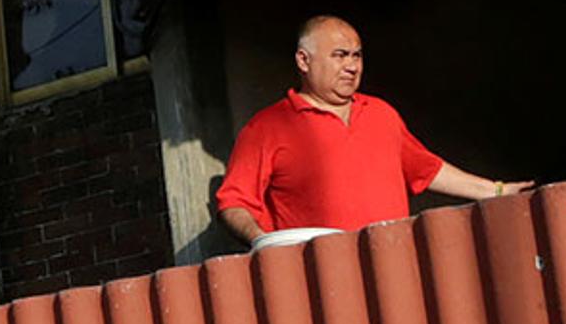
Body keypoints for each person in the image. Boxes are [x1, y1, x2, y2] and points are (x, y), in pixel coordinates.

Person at [212, 15, 524, 244]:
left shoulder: (380, 113)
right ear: (303, 61)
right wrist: (267, 245)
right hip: (319, 279)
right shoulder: (267, 127)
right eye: (340, 56)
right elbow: (234, 201)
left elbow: (425, 169)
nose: (352, 66)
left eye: (357, 55)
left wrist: (497, 191)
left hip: (396, 264)